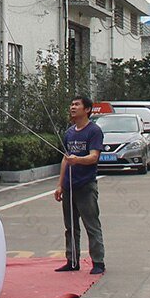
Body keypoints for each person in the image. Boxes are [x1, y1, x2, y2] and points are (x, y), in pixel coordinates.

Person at [53, 95, 105, 274]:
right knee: (70, 227)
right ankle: (72, 260)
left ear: (87, 109)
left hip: (86, 186)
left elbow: (94, 157)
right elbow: (65, 159)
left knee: (91, 225)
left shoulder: (94, 131)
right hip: (69, 186)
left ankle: (98, 262)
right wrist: (60, 185)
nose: (72, 107)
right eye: (72, 104)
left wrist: (78, 160)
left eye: (77, 104)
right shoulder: (69, 133)